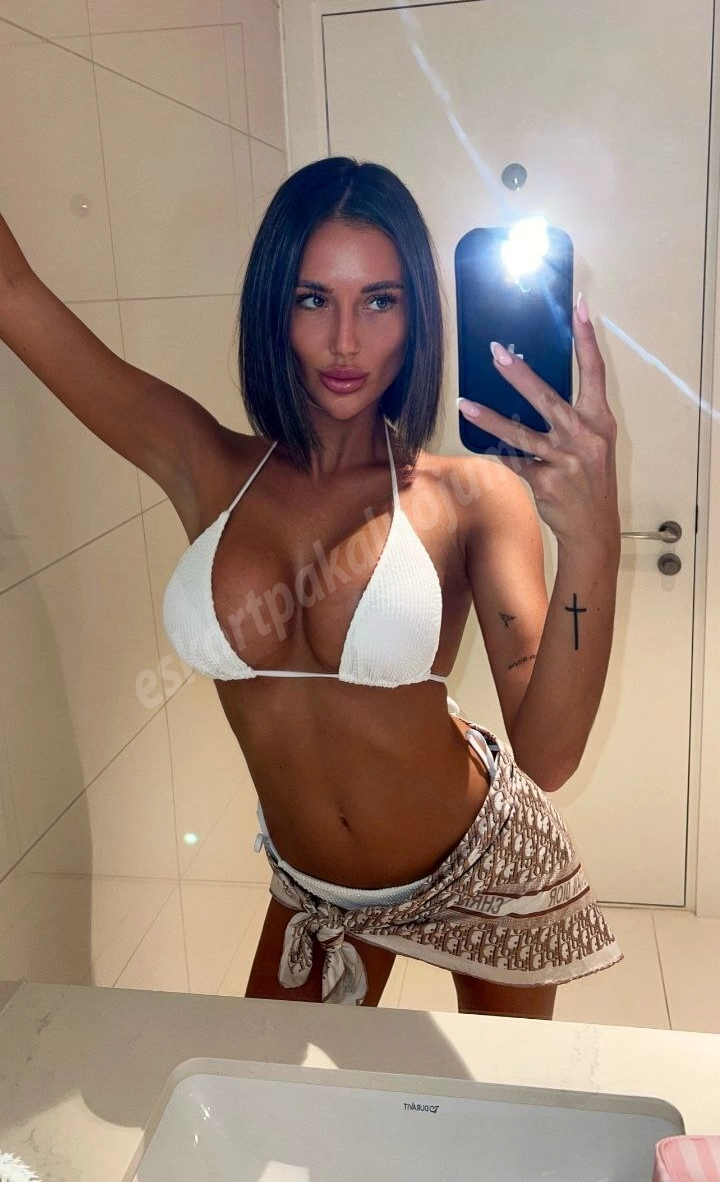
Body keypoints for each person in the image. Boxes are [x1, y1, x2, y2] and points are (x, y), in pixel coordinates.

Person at [0, 156, 622, 1015]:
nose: (345, 342)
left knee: (499, 1101)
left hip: (483, 866)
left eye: (380, 300)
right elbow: (13, 293)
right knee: (266, 1091)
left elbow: (549, 755)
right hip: (316, 893)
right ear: (274, 307)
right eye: (312, 299)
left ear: (417, 315)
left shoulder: (472, 496)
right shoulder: (207, 464)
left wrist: (593, 542)